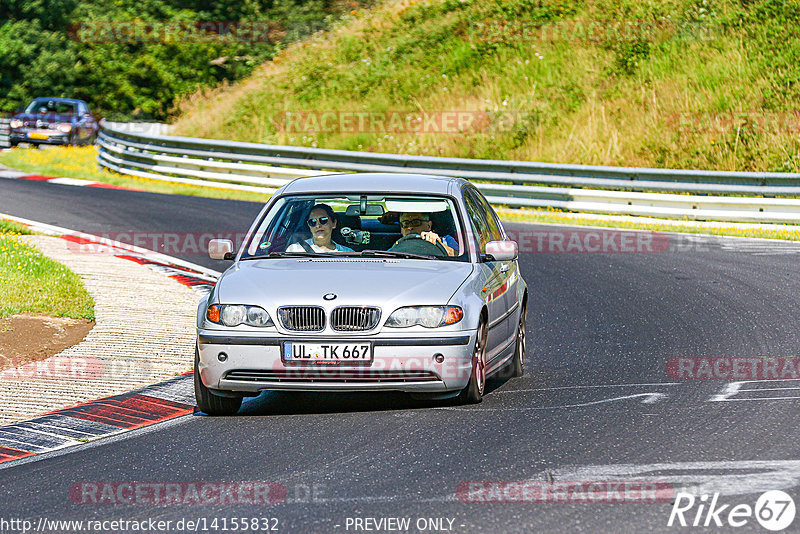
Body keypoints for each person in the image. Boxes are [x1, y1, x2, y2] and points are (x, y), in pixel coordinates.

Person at [286, 204, 355, 253]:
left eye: (323, 220)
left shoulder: (347, 253)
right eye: (312, 222)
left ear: (334, 223)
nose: (318, 225)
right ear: (309, 226)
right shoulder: (294, 250)